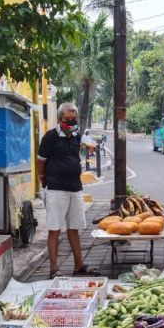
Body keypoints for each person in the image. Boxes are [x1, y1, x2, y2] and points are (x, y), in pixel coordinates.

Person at [36, 103, 99, 279]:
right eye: (67, 120)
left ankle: (79, 264)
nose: (71, 123)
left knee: (74, 227)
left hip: (75, 188)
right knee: (54, 228)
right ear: (59, 119)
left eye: (73, 119)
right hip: (56, 189)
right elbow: (40, 160)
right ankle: (54, 268)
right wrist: (44, 180)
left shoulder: (76, 135)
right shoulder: (51, 137)